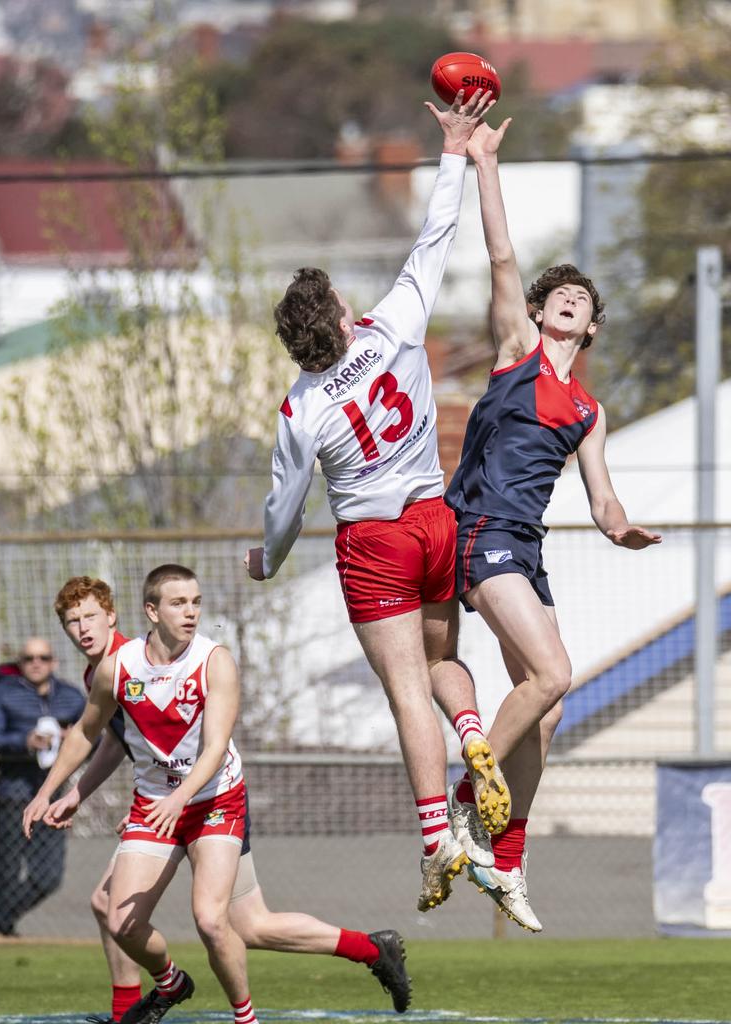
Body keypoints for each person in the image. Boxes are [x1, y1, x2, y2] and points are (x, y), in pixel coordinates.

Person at [245, 87, 508, 914]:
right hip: (437, 523)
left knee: (403, 688)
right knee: (439, 665)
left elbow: (285, 509)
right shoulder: (394, 325)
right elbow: (436, 233)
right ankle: (476, 737)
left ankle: (437, 838)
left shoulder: (302, 405)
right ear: (340, 315)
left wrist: (267, 560)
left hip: (375, 544)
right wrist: (454, 150)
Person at [444, 117, 663, 931]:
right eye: (559, 295)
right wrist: (486, 165)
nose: (571, 300)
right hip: (479, 529)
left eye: (583, 299)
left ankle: (506, 862)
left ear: (593, 327)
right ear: (540, 314)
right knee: (555, 674)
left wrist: (622, 528)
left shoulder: (588, 409)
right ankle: (462, 805)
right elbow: (502, 257)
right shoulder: (515, 353)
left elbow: (602, 498)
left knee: (549, 710)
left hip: (524, 547)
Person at [47, 575, 410, 1020]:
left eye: (90, 617)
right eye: (72, 621)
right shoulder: (104, 671)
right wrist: (77, 792)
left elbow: (177, 743)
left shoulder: (148, 659)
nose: (83, 628)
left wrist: (158, 796)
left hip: (210, 795)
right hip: (162, 801)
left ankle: (142, 1004)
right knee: (247, 924)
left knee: (180, 915)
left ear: (115, 616)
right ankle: (371, 949)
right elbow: (115, 742)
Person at [0, 637, 85, 936]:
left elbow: (97, 738)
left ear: (54, 662)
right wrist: (25, 742)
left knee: (48, 876)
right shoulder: (3, 695)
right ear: (20, 663)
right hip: (13, 795)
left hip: (52, 798)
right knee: (6, 873)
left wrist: (74, 738)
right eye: (30, 658)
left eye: (43, 657)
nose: (37, 663)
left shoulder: (72, 698)